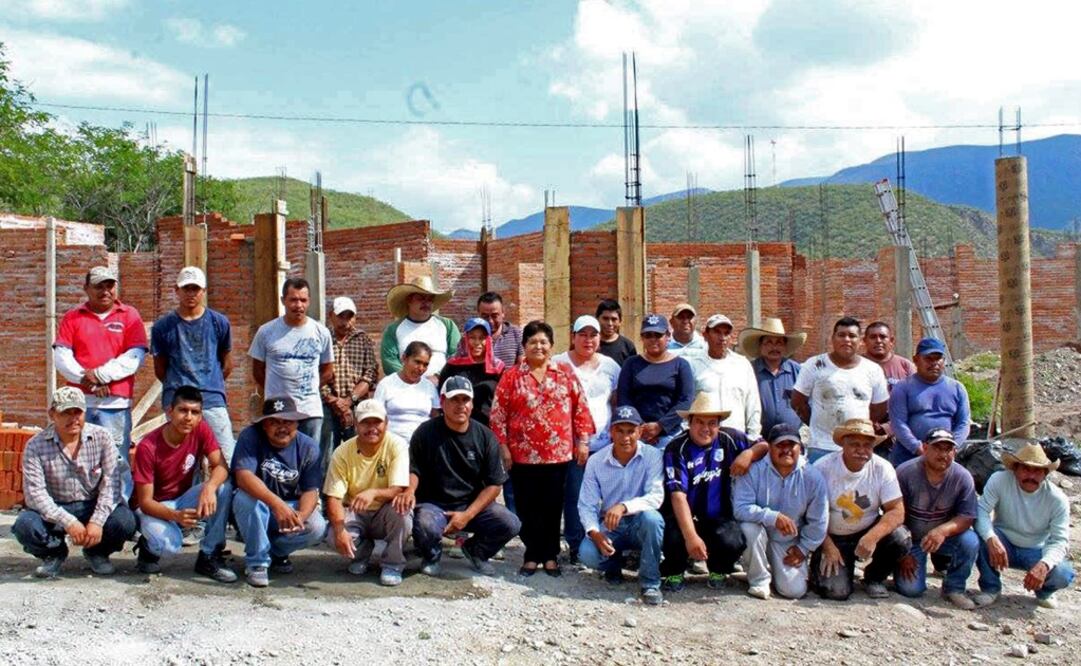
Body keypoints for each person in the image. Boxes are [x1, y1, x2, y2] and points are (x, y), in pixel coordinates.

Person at [490, 320, 594, 577]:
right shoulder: (512, 376)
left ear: (551, 346)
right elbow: (498, 413)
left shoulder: (565, 374)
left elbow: (581, 408)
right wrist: (502, 446)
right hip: (522, 453)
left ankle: (550, 555)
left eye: (543, 342)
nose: (538, 346)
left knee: (552, 506)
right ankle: (531, 553)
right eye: (532, 341)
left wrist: (583, 441)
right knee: (526, 506)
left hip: (557, 453)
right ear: (524, 346)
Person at [399, 376, 521, 576]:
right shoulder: (424, 432)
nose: (460, 405)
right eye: (454, 400)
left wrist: (467, 515)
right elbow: (414, 469)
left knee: (510, 522)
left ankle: (477, 551)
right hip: (433, 504)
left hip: (470, 505)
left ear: (472, 404)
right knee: (425, 524)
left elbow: (494, 485)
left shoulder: (485, 436)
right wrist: (410, 491)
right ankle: (431, 554)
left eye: (465, 400)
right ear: (442, 401)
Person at [14, 387, 136, 578]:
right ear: (52, 414)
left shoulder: (102, 437)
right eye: (65, 413)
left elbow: (112, 485)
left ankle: (97, 552)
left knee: (125, 521)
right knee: (25, 525)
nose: (73, 419)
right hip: (56, 509)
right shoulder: (35, 445)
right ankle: (54, 553)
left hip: (92, 505)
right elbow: (35, 494)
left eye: (77, 412)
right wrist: (68, 521)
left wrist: (96, 521)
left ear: (84, 412)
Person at [53, 265, 148, 501]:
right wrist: (90, 381)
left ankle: (118, 515)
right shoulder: (73, 317)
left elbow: (134, 356)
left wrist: (102, 375)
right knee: (75, 457)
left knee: (117, 461)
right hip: (79, 404)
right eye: (99, 286)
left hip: (115, 404)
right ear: (86, 289)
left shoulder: (129, 315)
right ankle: (79, 510)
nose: (105, 291)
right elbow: (61, 357)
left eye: (109, 285)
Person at [660, 393, 766, 592]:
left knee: (733, 540)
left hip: (717, 516)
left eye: (712, 423)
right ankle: (675, 570)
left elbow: (764, 445)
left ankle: (718, 569)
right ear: (689, 422)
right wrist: (691, 537)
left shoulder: (730, 438)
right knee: (672, 535)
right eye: (699, 422)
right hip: (683, 515)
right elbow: (677, 495)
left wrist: (749, 453)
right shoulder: (676, 448)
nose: (706, 428)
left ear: (719, 424)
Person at [131, 386, 236, 583]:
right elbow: (145, 502)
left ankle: (209, 555)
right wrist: (175, 517)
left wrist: (209, 487)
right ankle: (147, 549)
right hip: (154, 505)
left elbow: (221, 466)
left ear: (200, 416)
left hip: (181, 499)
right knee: (169, 546)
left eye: (194, 412)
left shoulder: (201, 429)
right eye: (183, 410)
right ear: (170, 411)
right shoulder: (148, 446)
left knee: (223, 488)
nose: (188, 417)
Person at [231, 396, 328, 588]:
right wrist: (277, 504)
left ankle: (275, 552)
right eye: (274, 422)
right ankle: (257, 563)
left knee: (317, 526)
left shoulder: (308, 446)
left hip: (289, 505)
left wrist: (300, 515)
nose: (281, 427)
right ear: (264, 425)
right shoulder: (250, 436)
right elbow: (243, 477)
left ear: (297, 424)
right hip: (258, 506)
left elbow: (311, 490)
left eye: (287, 422)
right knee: (244, 498)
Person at [577, 406, 666, 606]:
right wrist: (594, 533)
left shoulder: (653, 456)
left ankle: (650, 582)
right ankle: (613, 565)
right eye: (620, 431)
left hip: (639, 521)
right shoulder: (596, 461)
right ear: (611, 432)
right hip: (610, 525)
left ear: (640, 432)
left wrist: (624, 507)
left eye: (631, 431)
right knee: (588, 553)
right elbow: (586, 504)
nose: (625, 437)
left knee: (653, 520)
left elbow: (656, 496)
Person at [811, 418, 909, 600]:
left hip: (866, 530)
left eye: (867, 445)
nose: (861, 450)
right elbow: (809, 515)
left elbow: (896, 510)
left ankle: (874, 578)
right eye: (855, 444)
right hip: (831, 537)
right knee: (836, 592)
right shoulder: (822, 468)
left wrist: (872, 537)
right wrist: (828, 546)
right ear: (843, 445)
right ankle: (828, 568)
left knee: (901, 538)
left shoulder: (883, 468)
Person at [552, 315, 622, 563]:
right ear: (573, 337)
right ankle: (575, 543)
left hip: (603, 444)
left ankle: (609, 544)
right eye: (582, 334)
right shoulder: (558, 363)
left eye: (593, 335)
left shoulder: (611, 366)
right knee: (575, 494)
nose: (588, 340)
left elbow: (615, 402)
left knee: (607, 497)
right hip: (570, 444)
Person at [733, 423, 829, 600]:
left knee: (794, 591)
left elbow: (819, 520)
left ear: (800, 447)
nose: (786, 450)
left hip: (787, 541)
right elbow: (740, 508)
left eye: (791, 445)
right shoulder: (753, 470)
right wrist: (772, 517)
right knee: (747, 528)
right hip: (759, 533)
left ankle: (780, 572)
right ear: (769, 447)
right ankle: (759, 579)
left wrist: (803, 548)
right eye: (780, 445)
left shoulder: (813, 477)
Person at [974, 443, 1075, 609]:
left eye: (1037, 471)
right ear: (1015, 469)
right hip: (1003, 542)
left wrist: (1044, 564)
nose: (1031, 476)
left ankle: (1044, 592)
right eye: (1026, 469)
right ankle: (990, 588)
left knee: (1063, 573)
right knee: (978, 537)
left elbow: (1060, 540)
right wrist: (991, 538)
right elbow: (982, 511)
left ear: (1045, 474)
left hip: (1037, 549)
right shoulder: (999, 480)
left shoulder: (1058, 499)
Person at [151, 266, 236, 462]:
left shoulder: (219, 322)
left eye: (195, 289)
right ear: (176, 290)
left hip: (212, 399)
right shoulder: (163, 327)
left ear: (203, 291)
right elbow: (160, 369)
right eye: (186, 288)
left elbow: (227, 363)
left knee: (226, 456)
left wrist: (210, 383)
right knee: (183, 461)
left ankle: (224, 492)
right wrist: (177, 391)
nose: (191, 293)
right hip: (177, 399)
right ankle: (187, 494)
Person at [324, 400, 410, 587]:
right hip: (355, 511)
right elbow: (334, 497)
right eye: (365, 422)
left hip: (385, 511)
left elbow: (399, 488)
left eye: (376, 422)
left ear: (386, 423)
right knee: (332, 534)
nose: (372, 428)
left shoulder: (397, 445)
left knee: (403, 512)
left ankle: (393, 564)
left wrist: (373, 493)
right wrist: (339, 530)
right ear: (355, 424)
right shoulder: (342, 452)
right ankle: (362, 554)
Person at [893, 429, 979, 609]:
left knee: (970, 541)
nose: (943, 454)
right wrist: (903, 551)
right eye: (937, 448)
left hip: (944, 538)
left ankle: (954, 588)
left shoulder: (963, 477)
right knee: (911, 590)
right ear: (924, 448)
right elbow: (893, 514)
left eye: (948, 449)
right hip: (912, 538)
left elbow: (967, 516)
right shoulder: (905, 472)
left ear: (954, 452)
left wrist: (942, 530)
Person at [792, 317, 889, 464]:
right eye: (841, 335)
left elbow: (879, 408)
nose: (847, 340)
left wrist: (858, 426)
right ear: (832, 338)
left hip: (859, 447)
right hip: (821, 445)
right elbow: (798, 402)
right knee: (820, 486)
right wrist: (815, 422)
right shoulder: (814, 365)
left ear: (860, 340)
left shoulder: (872, 370)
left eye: (852, 336)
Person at [249, 277, 333, 442]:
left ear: (309, 301)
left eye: (303, 300)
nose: (298, 305)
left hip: (310, 410)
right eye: (293, 300)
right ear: (283, 301)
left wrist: (308, 388)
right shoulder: (266, 332)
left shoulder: (321, 333)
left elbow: (328, 370)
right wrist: (275, 391)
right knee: (277, 460)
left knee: (309, 458)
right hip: (278, 410)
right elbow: (257, 370)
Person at [888, 338, 971, 468]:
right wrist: (918, 448)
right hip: (908, 458)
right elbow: (898, 423)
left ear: (944, 361)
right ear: (916, 360)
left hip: (945, 458)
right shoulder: (903, 388)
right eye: (928, 359)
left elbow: (964, 423)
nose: (934, 363)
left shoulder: (957, 388)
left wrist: (951, 447)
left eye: (938, 358)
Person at [617, 314, 695, 449]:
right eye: (648, 335)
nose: (653, 339)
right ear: (642, 338)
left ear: (668, 336)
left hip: (670, 435)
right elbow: (624, 398)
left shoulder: (681, 365)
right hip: (636, 435)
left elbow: (685, 400)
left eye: (658, 335)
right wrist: (641, 427)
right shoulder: (631, 364)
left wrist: (661, 426)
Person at [320, 296, 379, 473]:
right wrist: (333, 400)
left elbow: (370, 374)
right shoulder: (323, 338)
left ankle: (355, 491)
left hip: (356, 403)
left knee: (358, 449)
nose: (345, 321)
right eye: (341, 316)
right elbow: (316, 373)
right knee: (327, 452)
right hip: (327, 404)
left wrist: (348, 401)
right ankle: (325, 495)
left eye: (349, 316)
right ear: (331, 316)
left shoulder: (363, 339)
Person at [685, 313, 762, 438]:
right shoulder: (694, 365)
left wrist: (753, 435)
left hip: (736, 436)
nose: (722, 338)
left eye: (726, 333)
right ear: (705, 335)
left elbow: (752, 402)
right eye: (717, 332)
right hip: (703, 438)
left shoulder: (742, 364)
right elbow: (687, 402)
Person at [381, 276, 460, 378]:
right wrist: (411, 378)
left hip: (443, 384)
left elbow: (457, 354)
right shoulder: (393, 329)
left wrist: (438, 376)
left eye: (430, 299)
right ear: (409, 300)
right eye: (421, 298)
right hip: (407, 387)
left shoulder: (447, 325)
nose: (426, 303)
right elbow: (389, 361)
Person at [738, 317, 806, 436]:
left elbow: (808, 402)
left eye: (779, 343)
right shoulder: (749, 370)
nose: (774, 347)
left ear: (785, 347)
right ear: (761, 346)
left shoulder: (797, 370)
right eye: (769, 342)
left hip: (792, 439)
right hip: (758, 438)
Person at [439, 317, 506, 427]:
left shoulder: (497, 368)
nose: (477, 342)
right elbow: (442, 397)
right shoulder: (452, 366)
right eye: (472, 337)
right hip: (457, 426)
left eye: (482, 338)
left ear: (488, 340)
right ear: (465, 339)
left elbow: (503, 400)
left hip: (488, 427)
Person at [373, 341, 441, 444]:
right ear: (404, 358)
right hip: (392, 446)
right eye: (417, 362)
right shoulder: (386, 385)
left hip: (423, 446)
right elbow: (376, 417)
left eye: (425, 364)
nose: (421, 368)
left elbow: (436, 418)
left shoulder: (429, 387)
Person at [863, 321, 916, 389]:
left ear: (891, 340)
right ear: (865, 341)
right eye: (873, 337)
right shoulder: (855, 365)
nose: (878, 341)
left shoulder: (905, 365)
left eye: (883, 337)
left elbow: (914, 394)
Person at [477, 292, 523, 368]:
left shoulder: (517, 334)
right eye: (485, 316)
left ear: (503, 313)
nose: (490, 321)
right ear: (478, 314)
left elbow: (523, 367)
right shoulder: (470, 337)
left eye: (494, 316)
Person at [596, 299, 637, 366]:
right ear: (597, 319)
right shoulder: (590, 344)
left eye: (614, 319)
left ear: (620, 322)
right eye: (605, 319)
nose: (610, 323)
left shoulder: (627, 346)